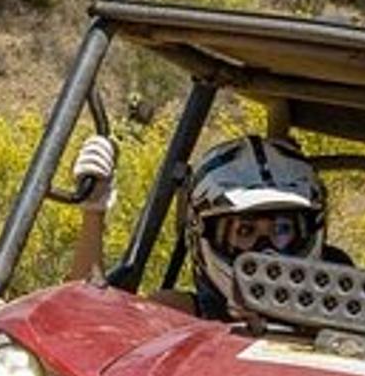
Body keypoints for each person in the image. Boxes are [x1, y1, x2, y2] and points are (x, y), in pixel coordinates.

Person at [64, 131, 340, 318]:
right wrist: (93, 213)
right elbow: (84, 323)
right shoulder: (179, 314)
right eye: (245, 231)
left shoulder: (341, 317)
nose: (266, 252)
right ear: (204, 235)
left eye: (281, 230)